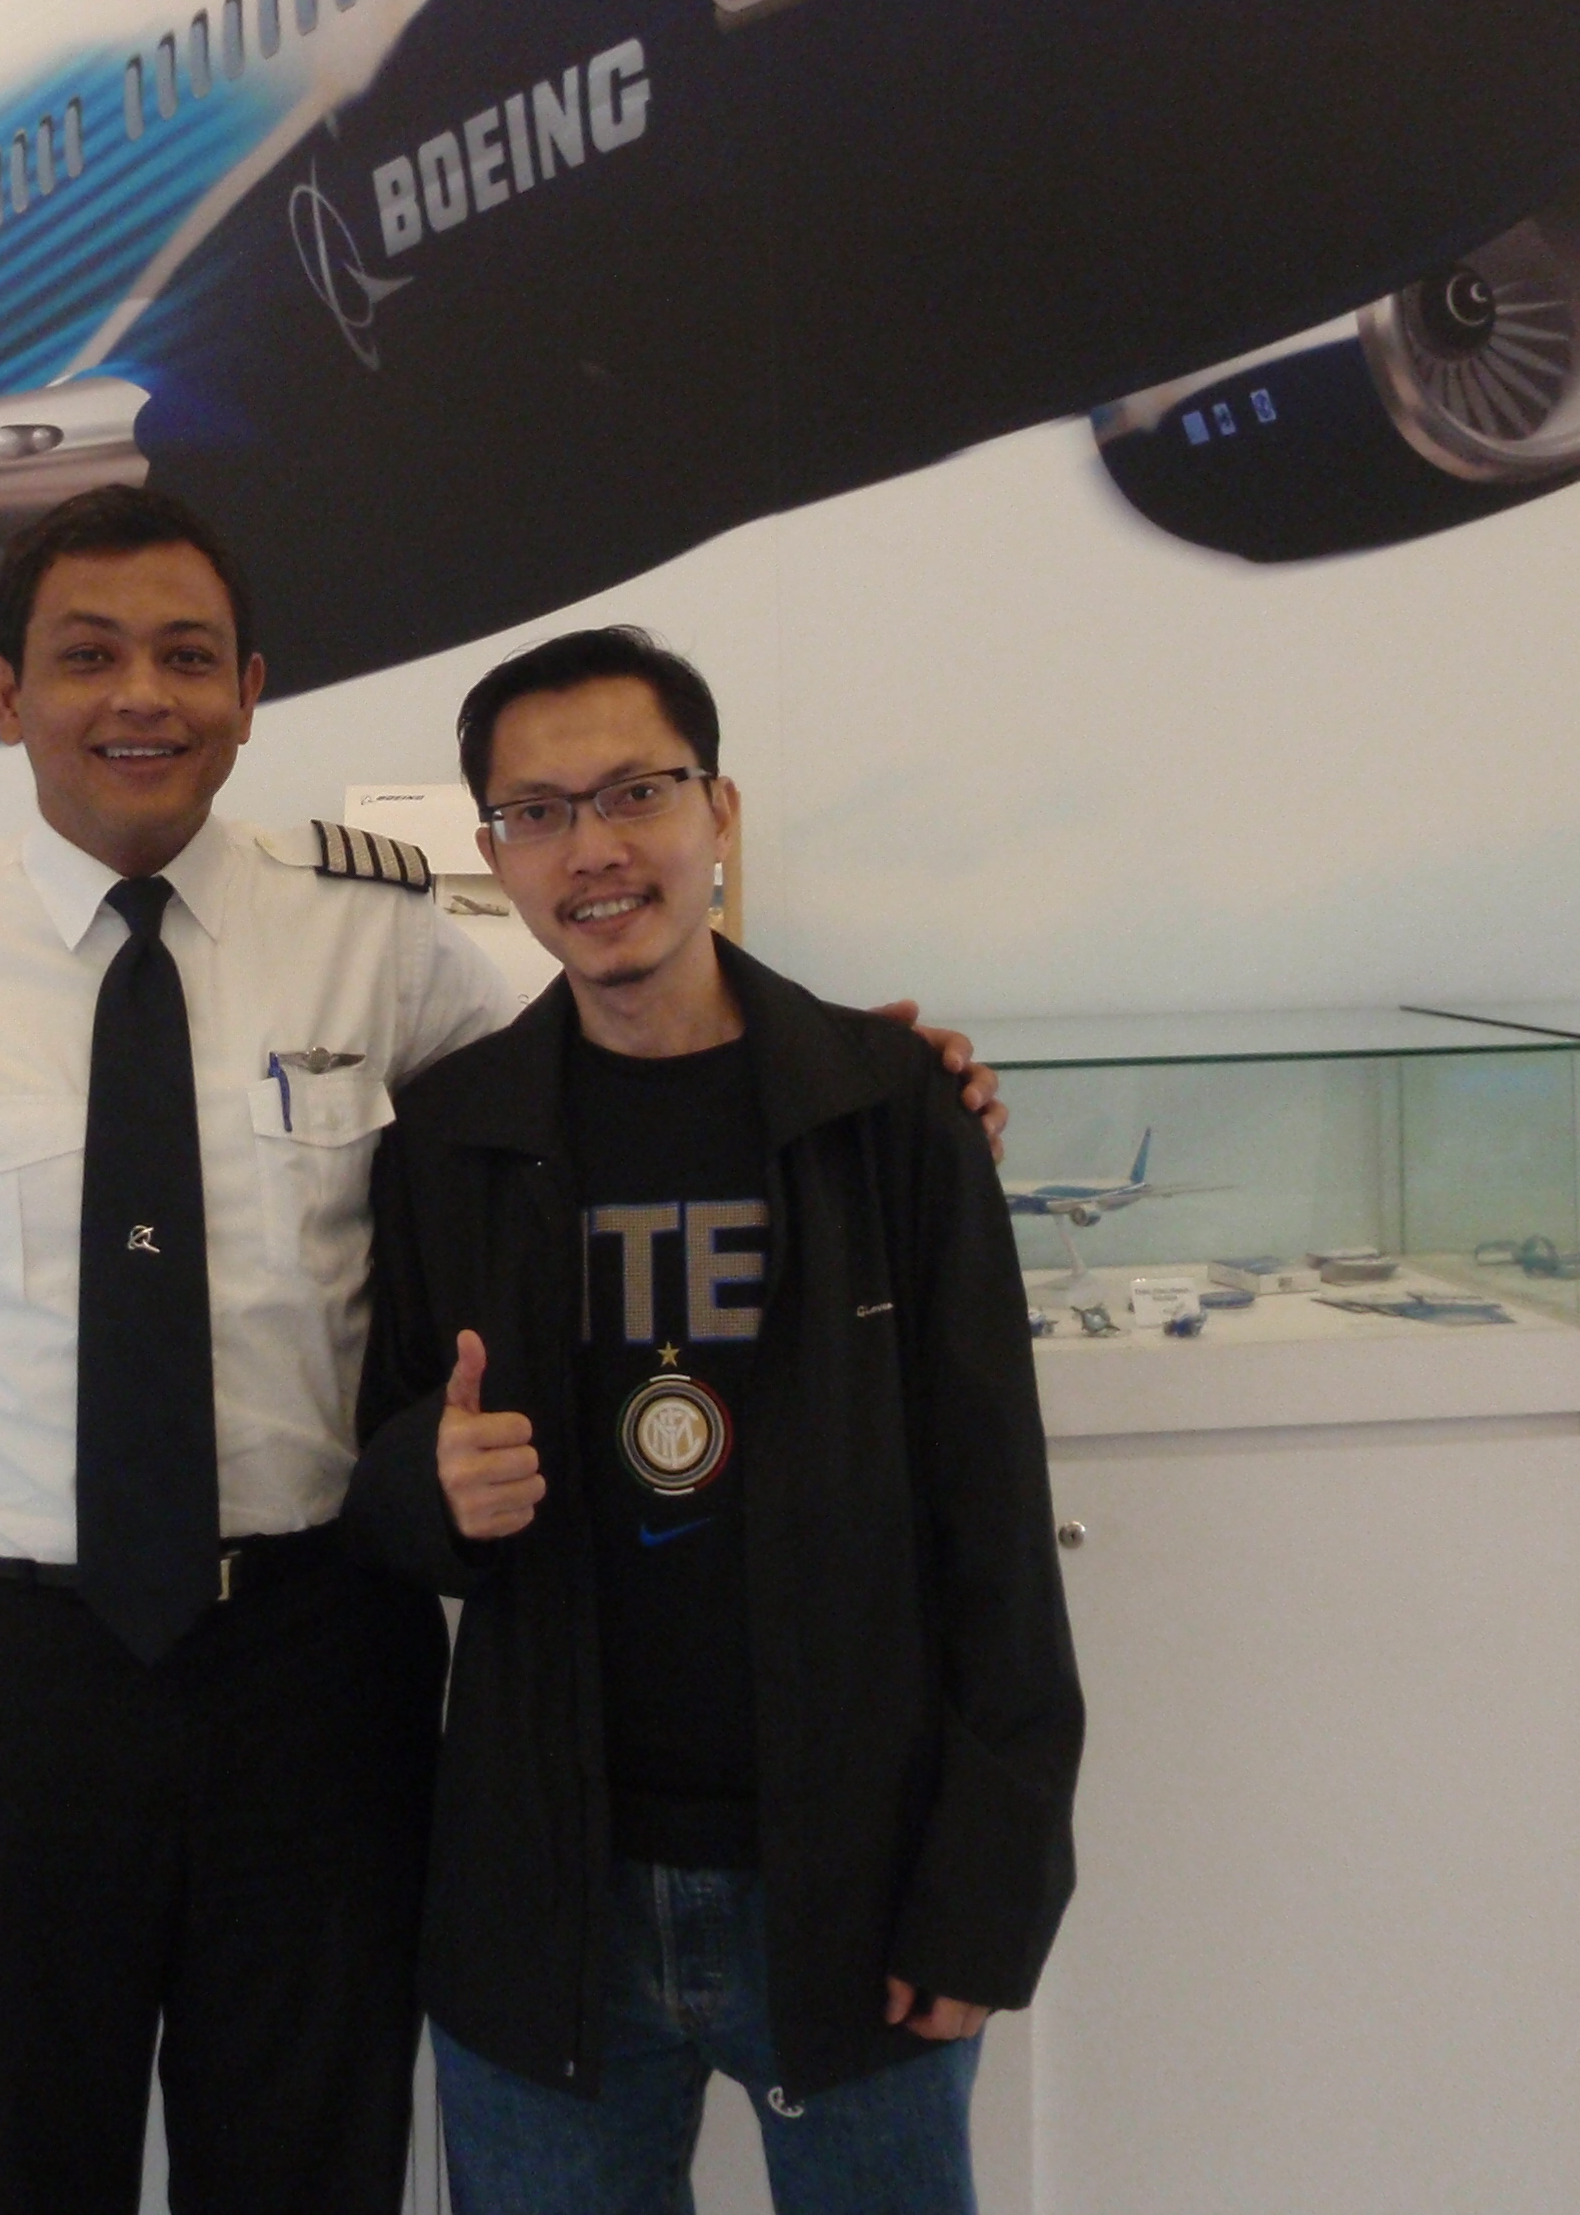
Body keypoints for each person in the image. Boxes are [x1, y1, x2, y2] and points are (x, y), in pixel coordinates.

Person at [0, 490, 1004, 2215]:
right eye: (88, 657)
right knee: (10, 2166)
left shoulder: (375, 933)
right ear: (6, 694)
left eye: (187, 656)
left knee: (314, 2166)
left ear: (251, 692)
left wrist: (865, 1076)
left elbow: (624, 1054)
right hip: (5, 1685)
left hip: (314, 1670)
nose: (140, 696)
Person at [342, 625, 1081, 2215]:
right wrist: (430, 1484)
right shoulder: (450, 1139)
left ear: (719, 810)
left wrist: (988, 1887)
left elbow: (997, 1523)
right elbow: (381, 1481)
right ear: (494, 853)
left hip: (856, 1877)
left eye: (637, 793)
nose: (594, 849)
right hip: (552, 1895)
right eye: (539, 814)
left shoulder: (885, 1113)